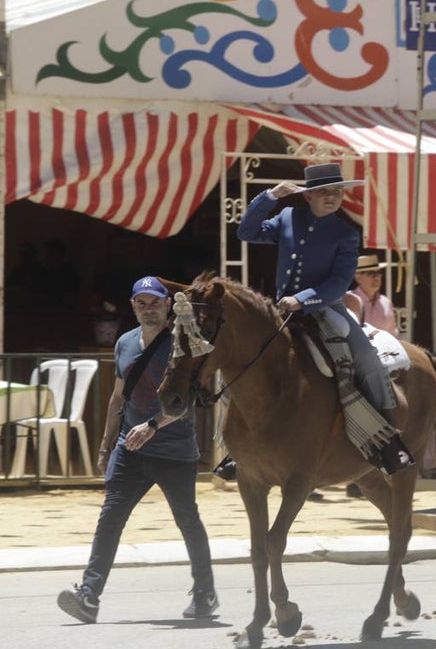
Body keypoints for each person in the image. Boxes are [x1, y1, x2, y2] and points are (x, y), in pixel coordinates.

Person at [234, 162, 415, 474]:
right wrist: (270, 196)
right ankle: (237, 445)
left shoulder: (346, 233)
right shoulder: (288, 217)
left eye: (337, 192)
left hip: (325, 308)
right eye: (324, 192)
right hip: (280, 310)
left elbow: (339, 282)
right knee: (244, 360)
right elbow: (246, 231)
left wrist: (301, 299)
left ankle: (388, 442)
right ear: (308, 196)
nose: (332, 197)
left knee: (367, 359)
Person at [57, 276, 218, 624]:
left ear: (167, 305)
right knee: (110, 519)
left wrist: (154, 425)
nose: (148, 309)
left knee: (187, 520)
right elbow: (119, 396)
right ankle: (89, 596)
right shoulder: (125, 342)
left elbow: (185, 401)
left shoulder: (183, 342)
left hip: (173, 450)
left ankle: (205, 592)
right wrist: (105, 446)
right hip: (129, 448)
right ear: (132, 307)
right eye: (141, 303)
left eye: (155, 302)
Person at [344, 253, 399, 336]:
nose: (377, 277)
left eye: (379, 273)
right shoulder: (348, 300)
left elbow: (393, 334)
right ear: (358, 277)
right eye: (371, 273)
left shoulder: (386, 302)